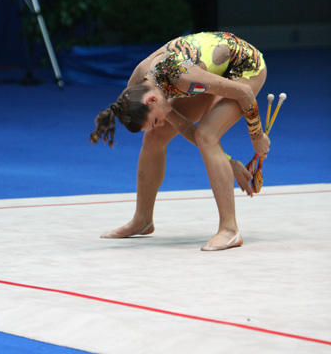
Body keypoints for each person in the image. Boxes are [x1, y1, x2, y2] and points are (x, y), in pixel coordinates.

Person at [90, 31, 270, 251]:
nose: (159, 122)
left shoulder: (183, 78)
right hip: (205, 71)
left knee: (207, 135)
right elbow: (184, 126)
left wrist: (256, 135)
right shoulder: (137, 87)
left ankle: (230, 230)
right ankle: (143, 219)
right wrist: (227, 161)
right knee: (154, 136)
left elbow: (243, 94)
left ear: (153, 99)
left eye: (155, 119)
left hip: (244, 67)